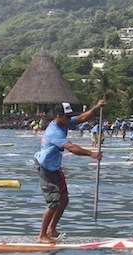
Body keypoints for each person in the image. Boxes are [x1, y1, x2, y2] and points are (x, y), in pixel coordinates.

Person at [34, 100, 105, 244]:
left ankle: (51, 230)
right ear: (58, 116)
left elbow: (82, 118)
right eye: (67, 117)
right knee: (53, 202)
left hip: (55, 167)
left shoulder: (64, 123)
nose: (69, 119)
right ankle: (41, 235)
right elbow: (71, 148)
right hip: (46, 168)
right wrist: (91, 154)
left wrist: (96, 107)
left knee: (64, 199)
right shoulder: (54, 132)